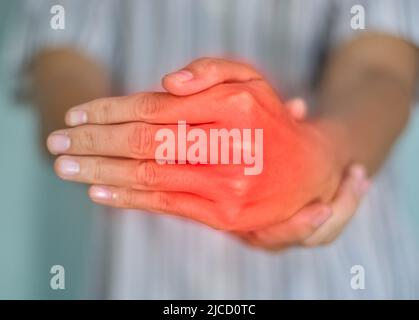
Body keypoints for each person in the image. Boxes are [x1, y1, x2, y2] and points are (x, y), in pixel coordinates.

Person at [22, 0, 419, 298]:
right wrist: (104, 143)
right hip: (144, 274)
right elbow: (63, 61)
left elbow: (381, 68)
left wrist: (324, 156)